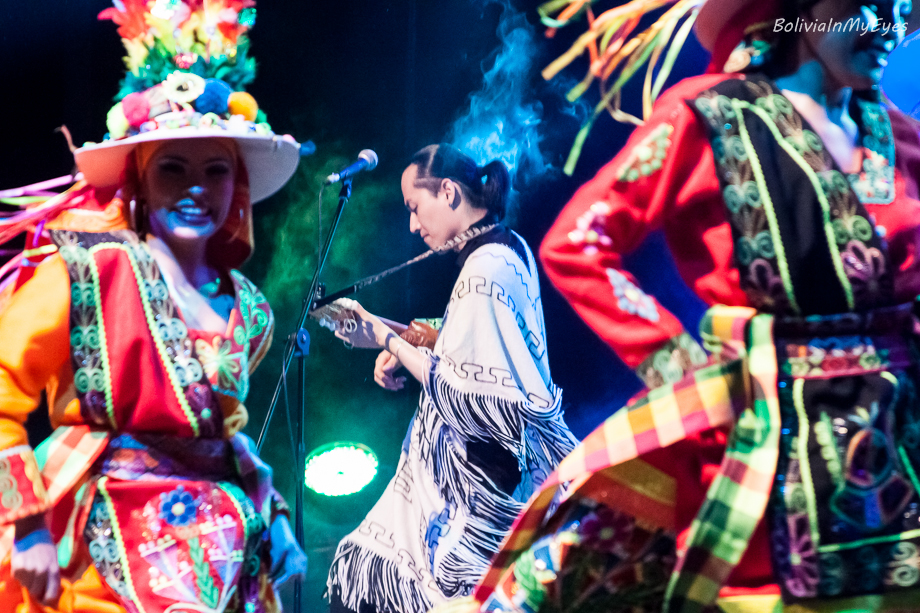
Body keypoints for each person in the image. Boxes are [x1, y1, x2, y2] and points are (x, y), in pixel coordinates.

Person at [455, 0, 920, 611]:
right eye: (869, 2)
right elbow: (579, 245)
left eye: (903, 6)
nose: (889, 23)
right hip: (762, 443)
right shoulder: (707, 115)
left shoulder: (903, 137)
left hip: (898, 436)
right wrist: (685, 371)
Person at [0, 1, 307, 611]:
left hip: (223, 558)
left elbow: (227, 437)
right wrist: (27, 522)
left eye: (215, 169)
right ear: (138, 179)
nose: (196, 188)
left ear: (237, 184)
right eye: (172, 168)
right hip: (105, 554)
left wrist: (273, 518)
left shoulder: (247, 309)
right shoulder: (86, 276)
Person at [322, 144, 579, 613]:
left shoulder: (486, 266)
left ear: (447, 191)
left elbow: (469, 390)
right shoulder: (504, 248)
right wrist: (397, 336)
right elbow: (470, 344)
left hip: (474, 489)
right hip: (471, 478)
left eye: (414, 208)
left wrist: (386, 338)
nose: (413, 225)